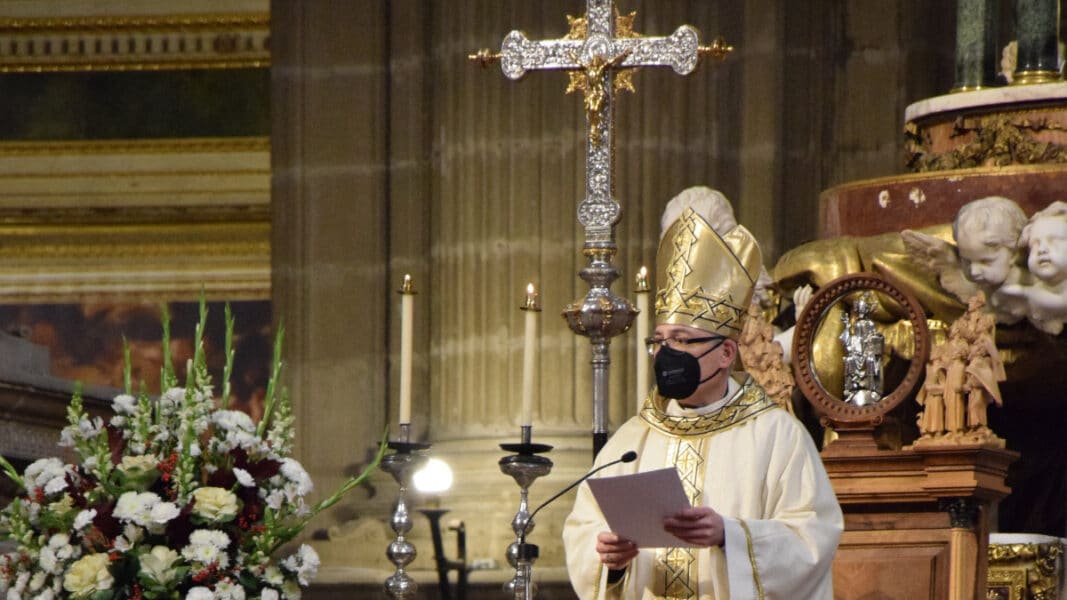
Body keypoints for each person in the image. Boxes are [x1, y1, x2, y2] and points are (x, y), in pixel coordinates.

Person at [563, 194, 843, 599]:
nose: (667, 353)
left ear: (726, 353)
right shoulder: (630, 442)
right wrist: (610, 558)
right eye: (659, 341)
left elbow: (812, 538)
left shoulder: (778, 436)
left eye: (683, 340)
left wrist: (730, 535)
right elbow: (585, 529)